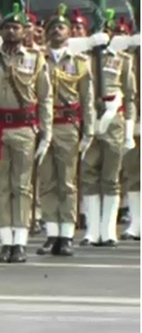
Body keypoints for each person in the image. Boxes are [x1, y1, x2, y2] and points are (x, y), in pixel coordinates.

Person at [0, 5, 52, 263]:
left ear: (24, 31)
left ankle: (19, 241)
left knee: (21, 186)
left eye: (16, 27)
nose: (11, 31)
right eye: (7, 27)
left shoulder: (35, 59)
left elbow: (45, 98)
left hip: (23, 128)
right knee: (0, 185)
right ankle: (5, 240)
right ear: (0, 31)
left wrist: (46, 131)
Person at [35, 6, 94, 256]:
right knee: (47, 181)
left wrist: (89, 130)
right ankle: (52, 233)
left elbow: (87, 97)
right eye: (53, 27)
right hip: (43, 125)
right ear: (46, 33)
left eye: (62, 27)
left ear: (70, 32)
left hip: (68, 125)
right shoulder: (37, 59)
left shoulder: (79, 62)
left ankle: (67, 234)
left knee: (67, 182)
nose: (57, 30)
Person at [81, 18, 136, 247]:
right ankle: (92, 230)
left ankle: (108, 230)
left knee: (111, 177)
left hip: (113, 120)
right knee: (88, 173)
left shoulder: (123, 60)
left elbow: (130, 95)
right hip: (89, 119)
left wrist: (129, 131)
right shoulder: (84, 58)